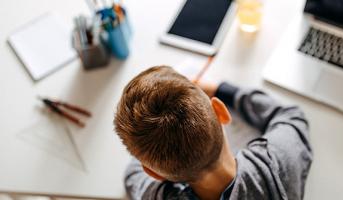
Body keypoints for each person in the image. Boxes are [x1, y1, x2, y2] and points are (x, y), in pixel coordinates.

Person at [114, 66, 313, 200]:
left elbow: (132, 176)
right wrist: (222, 89)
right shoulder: (276, 165)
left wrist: (157, 155)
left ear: (153, 173)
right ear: (221, 111)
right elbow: (291, 116)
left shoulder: (155, 194)